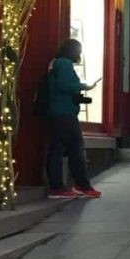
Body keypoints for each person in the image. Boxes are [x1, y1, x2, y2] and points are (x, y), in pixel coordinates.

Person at [45, 39, 102, 200]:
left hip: (57, 112)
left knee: (57, 149)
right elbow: (64, 86)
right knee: (76, 148)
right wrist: (85, 86)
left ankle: (58, 187)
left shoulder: (55, 63)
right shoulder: (64, 64)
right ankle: (81, 185)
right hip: (65, 113)